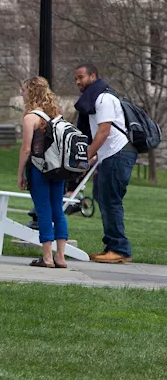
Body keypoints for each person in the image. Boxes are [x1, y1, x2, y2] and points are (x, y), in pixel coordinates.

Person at [74, 63, 136, 264]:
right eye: (76, 79)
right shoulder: (95, 98)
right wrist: (94, 157)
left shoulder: (104, 98)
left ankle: (119, 249)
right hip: (110, 155)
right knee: (103, 198)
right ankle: (112, 246)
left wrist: (87, 155)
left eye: (81, 77)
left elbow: (104, 132)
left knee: (110, 200)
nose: (78, 82)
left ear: (93, 76)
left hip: (118, 154)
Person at [17, 77, 69, 269]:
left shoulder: (31, 117)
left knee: (43, 211)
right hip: (58, 170)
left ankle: (47, 257)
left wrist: (20, 174)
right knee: (58, 211)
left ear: (31, 92)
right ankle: (61, 257)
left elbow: (26, 149)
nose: (21, 93)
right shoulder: (57, 114)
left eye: (24, 90)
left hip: (39, 169)